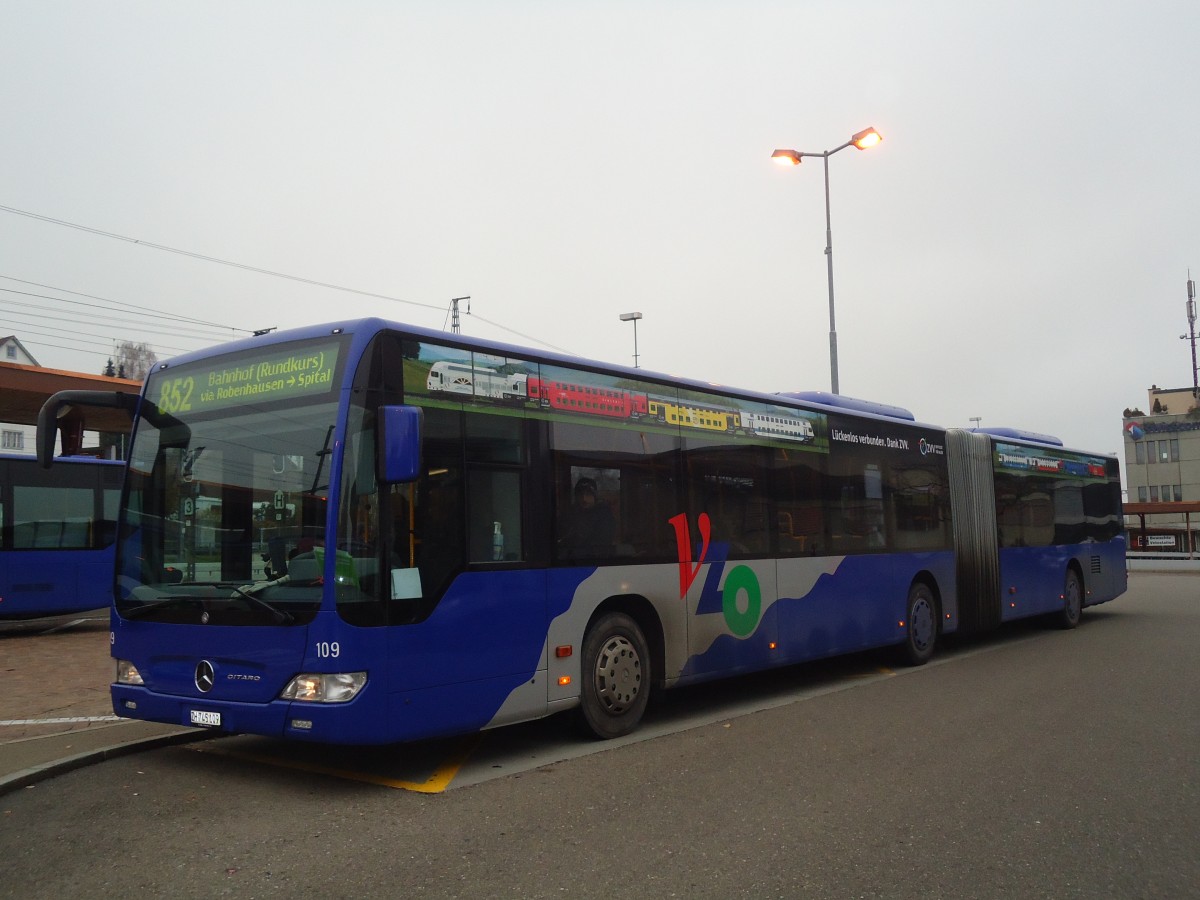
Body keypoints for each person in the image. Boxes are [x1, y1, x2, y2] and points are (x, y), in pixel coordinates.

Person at [559, 477, 615, 559]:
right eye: (580, 494)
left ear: (594, 496)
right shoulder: (570, 513)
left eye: (588, 494)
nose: (584, 499)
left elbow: (600, 547)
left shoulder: (604, 516)